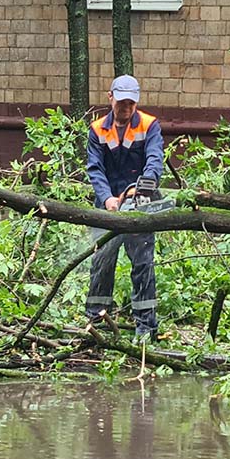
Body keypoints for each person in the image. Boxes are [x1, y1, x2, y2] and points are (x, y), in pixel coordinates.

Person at [85, 75, 165, 342]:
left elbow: (154, 160)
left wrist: (140, 188)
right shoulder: (97, 130)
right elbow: (95, 170)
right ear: (111, 98)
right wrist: (107, 198)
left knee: (142, 264)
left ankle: (146, 327)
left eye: (131, 103)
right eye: (122, 103)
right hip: (106, 206)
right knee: (102, 261)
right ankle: (96, 319)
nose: (126, 108)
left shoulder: (148, 125)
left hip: (140, 205)